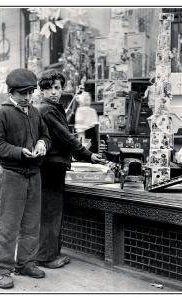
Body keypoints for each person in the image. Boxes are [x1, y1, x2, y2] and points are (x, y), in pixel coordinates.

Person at [0, 68, 51, 289]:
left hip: (34, 175)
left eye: (30, 92)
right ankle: (2, 269)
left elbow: (45, 135)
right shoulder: (2, 112)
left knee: (32, 224)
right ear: (11, 92)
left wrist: (43, 144)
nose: (27, 97)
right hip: (12, 175)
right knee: (8, 226)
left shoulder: (34, 112)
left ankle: (26, 263)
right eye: (22, 93)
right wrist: (19, 151)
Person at [36, 69, 104, 269]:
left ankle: (50, 253)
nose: (54, 92)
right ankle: (46, 257)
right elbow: (65, 137)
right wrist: (88, 155)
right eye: (48, 88)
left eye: (57, 88)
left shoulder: (53, 108)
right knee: (51, 211)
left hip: (54, 164)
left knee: (52, 210)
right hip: (51, 165)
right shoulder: (47, 109)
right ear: (41, 90)